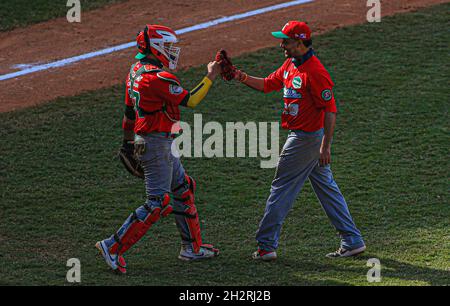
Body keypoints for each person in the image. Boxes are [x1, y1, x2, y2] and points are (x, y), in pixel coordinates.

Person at [232, 21, 365, 261]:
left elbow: (330, 110)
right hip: (305, 138)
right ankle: (352, 240)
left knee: (281, 188)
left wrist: (325, 146)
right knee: (327, 189)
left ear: (301, 42)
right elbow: (267, 85)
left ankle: (266, 246)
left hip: (305, 140)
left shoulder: (315, 72)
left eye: (286, 41)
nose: (282, 44)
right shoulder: (290, 64)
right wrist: (239, 76)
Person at [96, 24, 221, 273]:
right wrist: (211, 75)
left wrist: (127, 143)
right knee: (158, 202)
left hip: (148, 141)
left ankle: (192, 248)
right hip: (156, 144)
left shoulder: (134, 72)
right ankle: (112, 247)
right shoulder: (159, 78)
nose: (173, 51)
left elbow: (128, 114)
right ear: (155, 47)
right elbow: (192, 100)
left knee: (183, 188)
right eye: (168, 46)